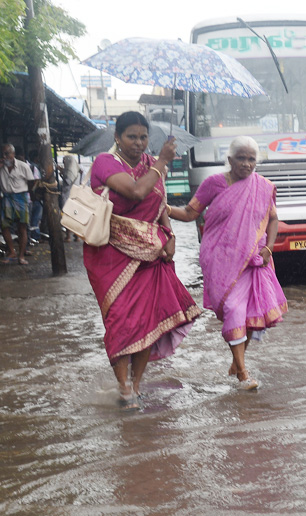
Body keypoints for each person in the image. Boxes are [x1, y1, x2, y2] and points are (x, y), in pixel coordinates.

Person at [85, 111, 202, 411]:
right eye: (131, 137)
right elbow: (137, 192)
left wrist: (170, 233)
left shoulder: (151, 165)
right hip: (111, 255)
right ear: (117, 137)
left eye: (143, 137)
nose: (138, 143)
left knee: (148, 320)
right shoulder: (105, 163)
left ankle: (135, 387)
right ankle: (123, 385)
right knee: (121, 320)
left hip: (151, 253)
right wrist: (163, 161)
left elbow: (158, 199)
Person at [167, 136, 287, 390]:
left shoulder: (263, 187)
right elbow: (190, 213)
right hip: (220, 260)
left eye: (251, 159)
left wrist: (269, 247)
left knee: (254, 312)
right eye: (241, 158)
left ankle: (237, 361)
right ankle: (243, 372)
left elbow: (273, 219)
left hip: (255, 260)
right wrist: (164, 208)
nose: (246, 164)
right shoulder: (213, 184)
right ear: (230, 160)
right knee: (234, 308)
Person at [0, 143, 34, 264]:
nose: (5, 156)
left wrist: (29, 196)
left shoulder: (23, 166)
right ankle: (12, 251)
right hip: (7, 197)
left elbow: (31, 182)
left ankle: (21, 255)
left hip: (21, 196)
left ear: (13, 154)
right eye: (3, 154)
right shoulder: (0, 167)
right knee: (5, 225)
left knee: (22, 227)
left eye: (7, 153)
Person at [58, 155, 82, 241]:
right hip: (76, 197)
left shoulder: (69, 172)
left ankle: (68, 236)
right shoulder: (78, 171)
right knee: (75, 217)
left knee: (68, 217)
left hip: (68, 197)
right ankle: (77, 236)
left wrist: (61, 172)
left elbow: (67, 181)